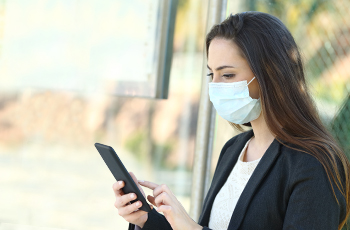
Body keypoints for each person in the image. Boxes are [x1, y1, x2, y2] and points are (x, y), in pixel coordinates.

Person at [112, 11, 350, 230]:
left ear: (270, 73)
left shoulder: (313, 164)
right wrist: (145, 219)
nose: (215, 86)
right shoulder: (233, 150)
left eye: (227, 74)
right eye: (211, 74)